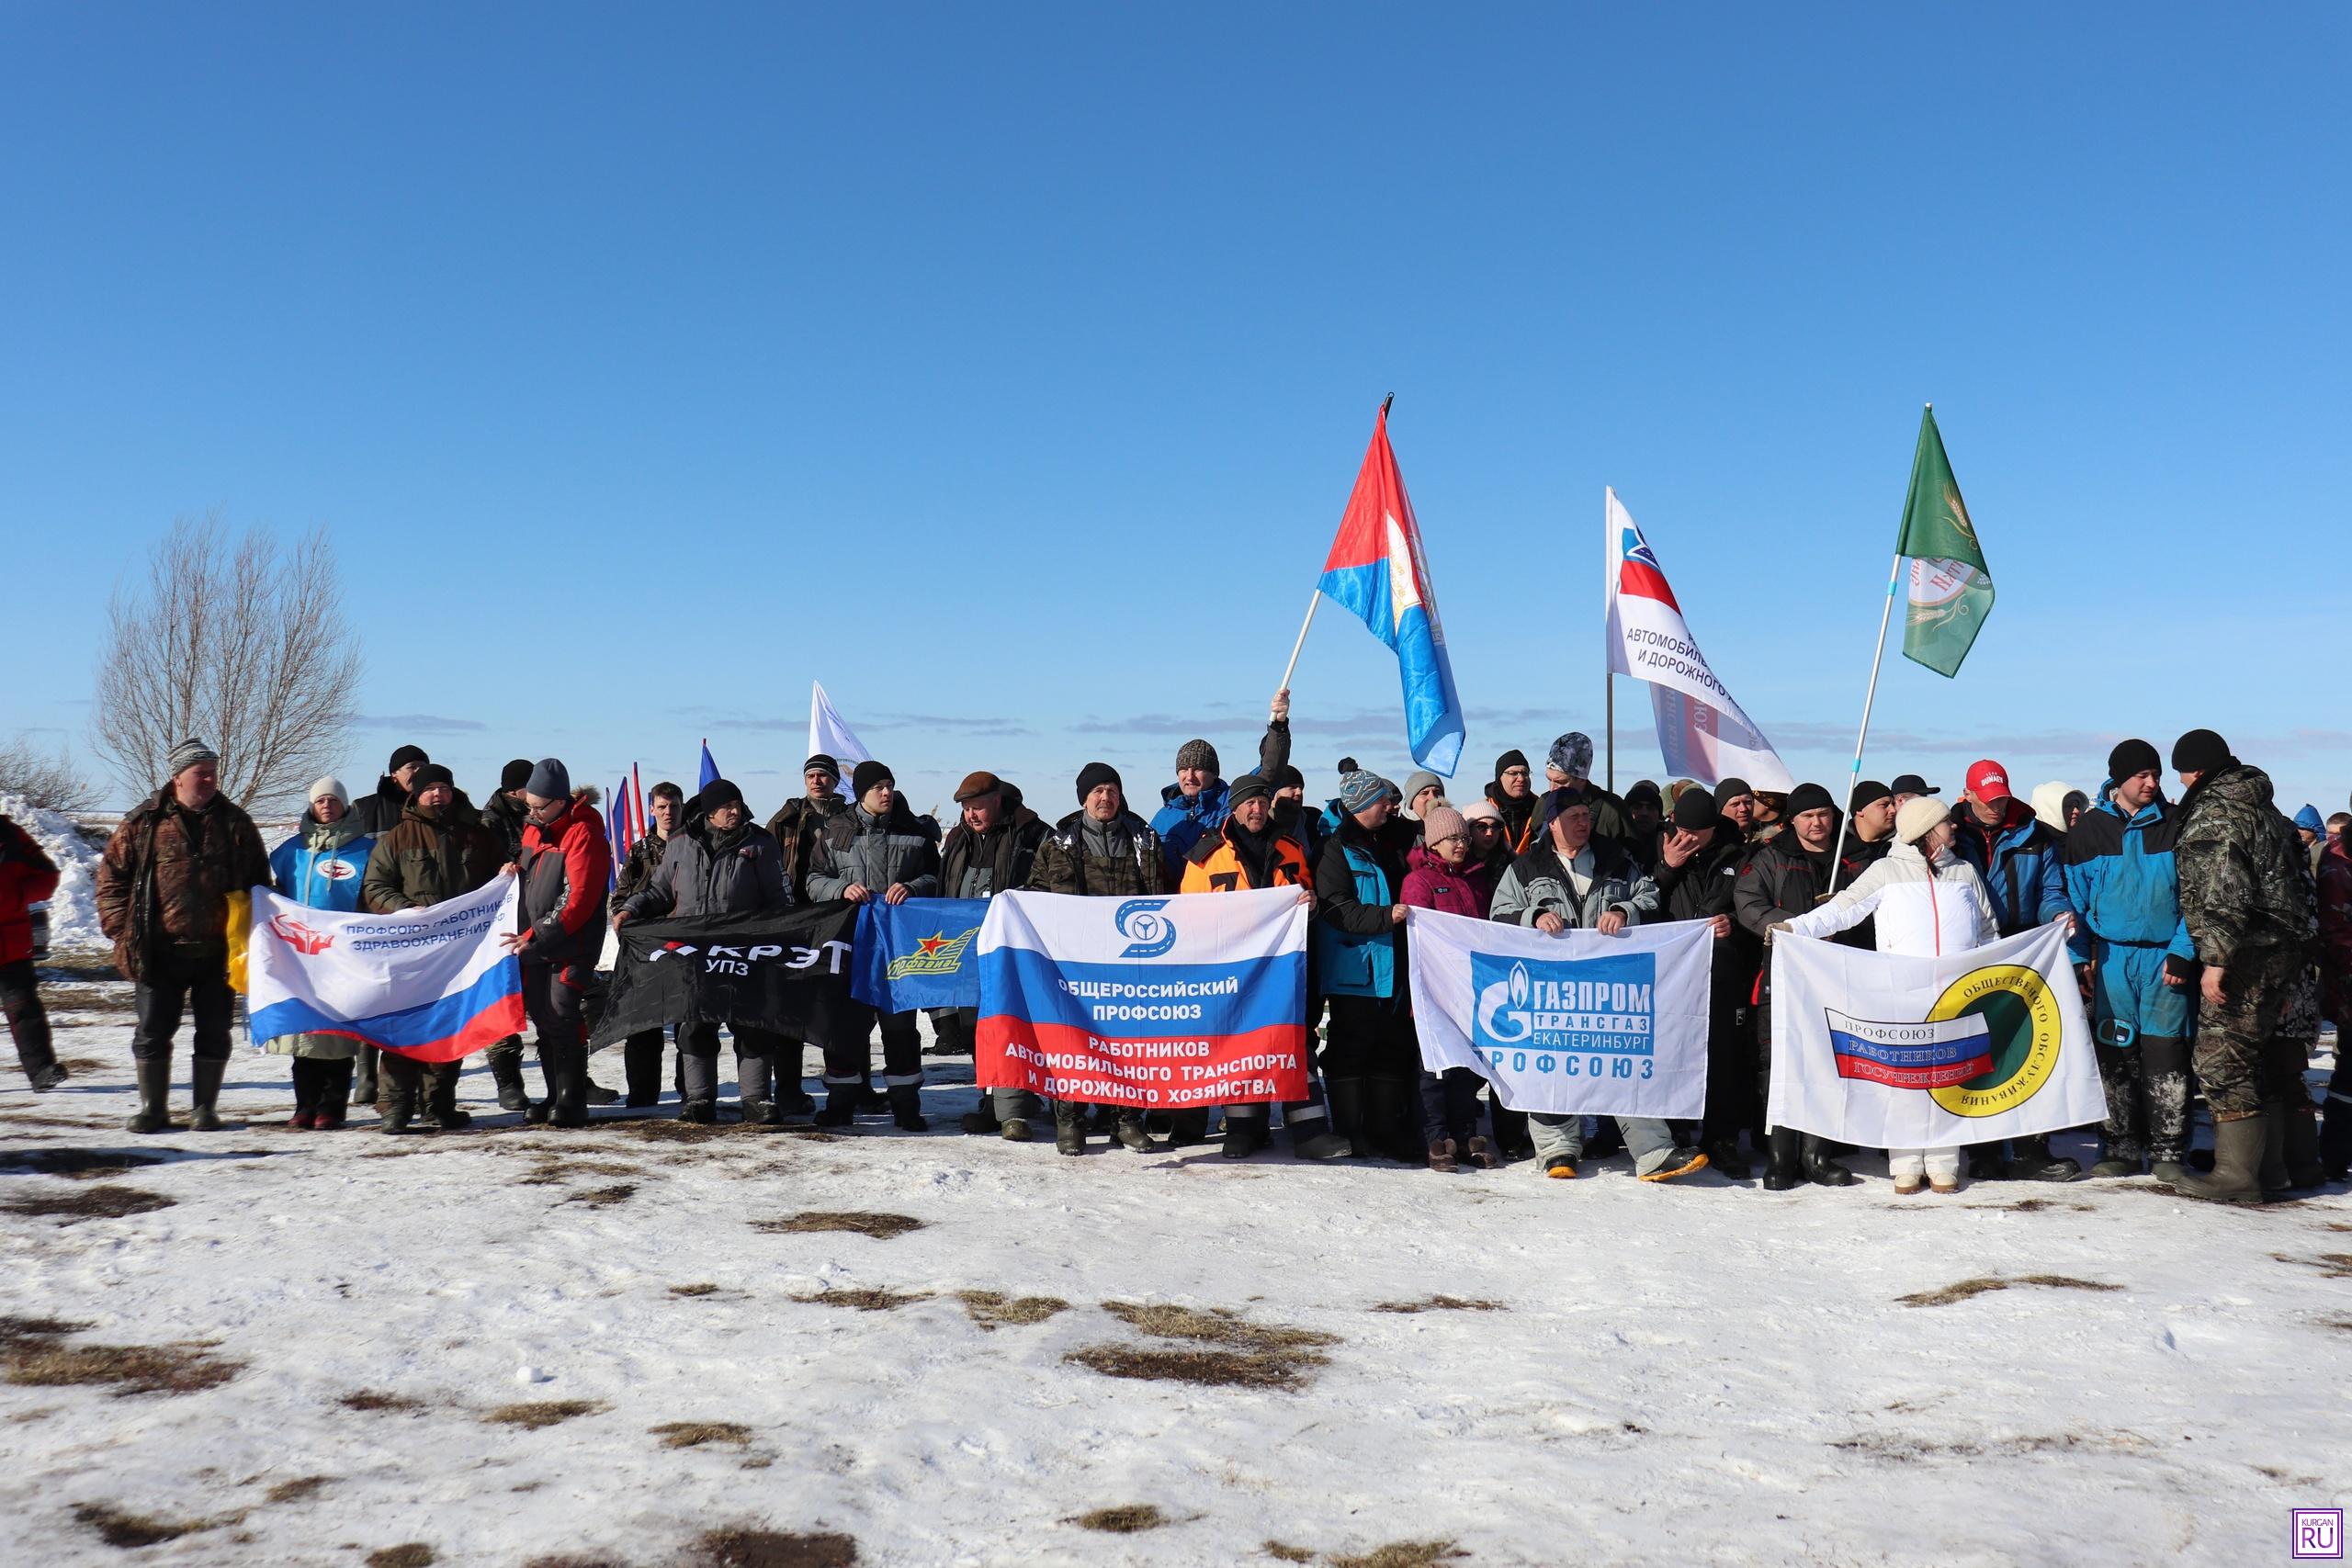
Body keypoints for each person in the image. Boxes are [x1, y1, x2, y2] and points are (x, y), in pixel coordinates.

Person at [1776, 796, 1999, 1195]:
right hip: (1902, 994)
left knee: (1952, 1076)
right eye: (1947, 823)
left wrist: (1987, 975)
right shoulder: (1886, 871)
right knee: (1906, 1080)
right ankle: (1907, 1163)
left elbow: (1987, 930)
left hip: (1956, 995)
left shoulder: (1965, 872)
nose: (1954, 828)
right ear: (1927, 832)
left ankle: (1945, 1161)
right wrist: (1795, 928)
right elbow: (1843, 909)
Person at [1488, 793, 1701, 1183]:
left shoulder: (1616, 858)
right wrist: (1533, 915)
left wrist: (1624, 910)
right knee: (1551, 1064)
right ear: (1552, 822)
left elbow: (1649, 895)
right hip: (1550, 990)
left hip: (1609, 986)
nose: (1584, 822)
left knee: (1624, 1060)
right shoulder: (1525, 866)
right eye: (1574, 816)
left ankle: (1653, 1151)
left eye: (1587, 815)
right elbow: (1498, 913)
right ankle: (1557, 1149)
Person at [2166, 728, 2322, 1203]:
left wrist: (2214, 961)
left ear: (2193, 772)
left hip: (2246, 953)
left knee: (2222, 1060)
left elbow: (2222, 890)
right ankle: (2272, 1169)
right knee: (2261, 1056)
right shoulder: (2264, 807)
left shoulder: (2218, 812)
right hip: (2282, 950)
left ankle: (2236, 1174)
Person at [96, 739, 272, 1134]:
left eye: (213, 772)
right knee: (153, 1031)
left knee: (214, 1031)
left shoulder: (236, 823)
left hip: (218, 952)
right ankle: (151, 1109)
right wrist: (121, 931)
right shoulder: (144, 822)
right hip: (157, 950)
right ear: (177, 777)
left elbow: (260, 883)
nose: (210, 779)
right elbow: (110, 881)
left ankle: (204, 1109)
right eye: (201, 773)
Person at [1175, 773, 1345, 1160]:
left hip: (1285, 970)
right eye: (1249, 803)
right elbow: (1189, 916)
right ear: (1234, 807)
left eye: (1262, 802)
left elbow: (1306, 895)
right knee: (1241, 1044)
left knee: (1295, 1043)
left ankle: (1309, 1129)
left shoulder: (1290, 848)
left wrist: (1311, 905)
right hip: (1231, 970)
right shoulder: (1206, 855)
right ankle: (1243, 1128)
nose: (1257, 809)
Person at [616, 778, 793, 1123]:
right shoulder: (681, 843)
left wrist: (783, 935)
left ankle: (756, 1099)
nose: (735, 811)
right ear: (710, 812)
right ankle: (699, 1099)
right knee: (696, 1026)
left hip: (745, 951)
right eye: (728, 806)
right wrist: (632, 909)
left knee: (752, 1025)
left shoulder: (759, 842)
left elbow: (779, 897)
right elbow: (659, 891)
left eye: (738, 805)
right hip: (694, 953)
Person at [2061, 742, 2196, 1183]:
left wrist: (2183, 949)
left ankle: (2168, 1149)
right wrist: (2081, 957)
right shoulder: (2089, 831)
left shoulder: (2178, 824)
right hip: (2112, 958)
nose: (2152, 783)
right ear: (2119, 778)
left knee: (2166, 1050)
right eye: (2141, 775)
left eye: (2155, 774)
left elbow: (2196, 900)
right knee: (2115, 1051)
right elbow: (2073, 903)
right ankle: (2118, 1146)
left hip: (2164, 958)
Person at [1948, 758, 2080, 1181]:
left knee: (2030, 1049)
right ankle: (1983, 1150)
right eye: (1987, 801)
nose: (1996, 807)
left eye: (2002, 799)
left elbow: (2052, 890)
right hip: (1969, 954)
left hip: (2024, 952)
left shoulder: (2034, 833)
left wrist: (2059, 914)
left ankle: (2032, 1149)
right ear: (1967, 795)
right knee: (1978, 1054)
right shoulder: (1949, 834)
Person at [1029, 761, 1168, 1155]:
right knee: (1072, 1039)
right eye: (1097, 792)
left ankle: (1125, 1120)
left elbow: (1166, 896)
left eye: (1111, 790)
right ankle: (1070, 1119)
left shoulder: (1145, 840)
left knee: (1130, 1041)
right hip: (1075, 964)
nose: (1105, 798)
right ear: (1084, 799)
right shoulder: (1058, 844)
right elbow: (1036, 895)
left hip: (1132, 961)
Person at [1733, 782, 1864, 1189]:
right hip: (1783, 973)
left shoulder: (1853, 858)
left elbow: (1874, 907)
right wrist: (1798, 926)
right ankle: (1780, 1157)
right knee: (1779, 1065)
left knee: (1828, 1061)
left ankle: (1817, 1156)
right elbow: (1748, 903)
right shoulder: (1772, 858)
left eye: (1824, 814)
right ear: (1794, 821)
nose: (1817, 823)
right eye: (1808, 816)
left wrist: (1842, 916)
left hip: (1838, 976)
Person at [361, 764, 504, 1133]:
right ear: (416, 794)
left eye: (443, 788)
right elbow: (375, 886)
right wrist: (404, 909)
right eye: (430, 789)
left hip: (459, 951)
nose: (437, 795)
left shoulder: (477, 836)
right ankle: (396, 1105)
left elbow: (494, 885)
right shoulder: (397, 838)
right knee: (404, 1024)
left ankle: (438, 1104)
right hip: (411, 951)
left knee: (447, 1025)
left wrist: (507, 878)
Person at [805, 761, 940, 1131]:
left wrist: (913, 888)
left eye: (890, 786)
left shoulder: (914, 831)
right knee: (846, 1030)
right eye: (879, 787)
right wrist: (840, 889)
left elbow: (935, 877)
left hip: (899, 951)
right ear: (861, 793)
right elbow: (813, 880)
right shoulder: (835, 831)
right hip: (852, 948)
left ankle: (907, 1105)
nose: (887, 793)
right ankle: (841, 1104)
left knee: (900, 1032)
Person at [1314, 770, 1425, 1163]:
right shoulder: (1336, 848)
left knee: (1393, 1048)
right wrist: (1385, 917)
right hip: (1355, 971)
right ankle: (1349, 1130)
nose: (1391, 805)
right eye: (1383, 800)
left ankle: (1385, 1131)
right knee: (1350, 1049)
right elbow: (1335, 908)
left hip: (1397, 966)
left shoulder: (1396, 838)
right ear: (1361, 806)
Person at [1649, 786, 1759, 1177]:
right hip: (1672, 974)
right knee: (1673, 1051)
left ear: (1715, 827)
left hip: (1724, 970)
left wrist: (1736, 926)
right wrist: (1668, 866)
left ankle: (1722, 1138)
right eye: (1684, 830)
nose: (1689, 839)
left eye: (1699, 832)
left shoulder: (1741, 854)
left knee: (1724, 1056)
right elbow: (1640, 905)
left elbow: (1754, 909)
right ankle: (1676, 1132)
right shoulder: (1658, 844)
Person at [498, 759, 609, 1128]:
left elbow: (577, 898)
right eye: (529, 805)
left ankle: (572, 1098)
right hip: (537, 942)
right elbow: (533, 879)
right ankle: (553, 1093)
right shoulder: (534, 829)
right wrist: (512, 870)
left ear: (561, 801)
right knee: (543, 1017)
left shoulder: (584, 833)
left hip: (570, 943)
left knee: (562, 1011)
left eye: (538, 806)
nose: (531, 812)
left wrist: (536, 934)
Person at [940, 772, 1050, 1139]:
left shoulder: (1033, 834)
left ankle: (1013, 1111)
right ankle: (991, 1101)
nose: (971, 815)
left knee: (1009, 1026)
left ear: (997, 802)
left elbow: (1048, 885)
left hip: (1013, 950)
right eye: (966, 808)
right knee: (977, 1031)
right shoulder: (957, 840)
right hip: (967, 950)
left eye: (978, 807)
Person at [263, 776, 376, 1128]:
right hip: (300, 955)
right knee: (304, 1034)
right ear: (312, 806)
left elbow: (373, 895)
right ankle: (304, 1105)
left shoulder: (366, 851)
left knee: (336, 1034)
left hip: (343, 956)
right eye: (320, 800)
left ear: (345, 805)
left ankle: (331, 1107)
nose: (326, 805)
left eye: (333, 800)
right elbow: (272, 892)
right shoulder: (290, 852)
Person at [1400, 802, 1498, 1170]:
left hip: (1470, 988)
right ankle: (1436, 1138)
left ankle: (1465, 1132)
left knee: (1466, 1066)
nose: (1460, 844)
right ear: (1434, 842)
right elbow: (1419, 938)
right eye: (1451, 838)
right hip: (1434, 989)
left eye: (1462, 837)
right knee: (1433, 1069)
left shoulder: (1475, 877)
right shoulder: (1418, 881)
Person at [765, 754, 856, 1106]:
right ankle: (788, 1088)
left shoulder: (849, 819)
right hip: (794, 923)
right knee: (789, 1010)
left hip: (837, 920)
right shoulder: (786, 819)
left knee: (841, 1008)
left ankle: (852, 1086)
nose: (817, 781)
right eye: (811, 775)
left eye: (824, 775)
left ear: (835, 781)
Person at [1149, 689, 1293, 881]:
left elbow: (1270, 771)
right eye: (1183, 770)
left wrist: (1279, 725)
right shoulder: (1162, 818)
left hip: (1222, 899)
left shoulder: (1232, 802)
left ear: (1213, 773)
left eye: (1198, 769)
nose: (1189, 776)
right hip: (1177, 905)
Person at [607, 781, 688, 1110]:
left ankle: (691, 1089)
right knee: (642, 1025)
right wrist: (627, 919)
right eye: (662, 807)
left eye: (674, 807)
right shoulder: (640, 852)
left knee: (689, 1024)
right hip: (648, 952)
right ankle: (642, 1092)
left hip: (687, 948)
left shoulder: (694, 848)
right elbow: (621, 899)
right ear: (652, 810)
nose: (669, 813)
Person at [474, 758, 537, 1109]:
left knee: (552, 1005)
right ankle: (508, 1082)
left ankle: (573, 1078)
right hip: (502, 924)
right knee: (502, 1000)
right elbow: (482, 872)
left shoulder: (539, 816)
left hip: (536, 919)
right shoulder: (490, 822)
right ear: (516, 788)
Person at [0, 807, 64, 1091]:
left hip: (9, 945)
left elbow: (47, 875)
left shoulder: (10, 835)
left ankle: (42, 1071)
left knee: (25, 1010)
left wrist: (14, 896)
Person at [2318, 810, 2352, 1180]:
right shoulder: (2339, 857)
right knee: (2349, 1076)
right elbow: (2335, 929)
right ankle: (2335, 1152)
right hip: (2348, 984)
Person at [1541, 732, 1630, 840]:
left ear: (1581, 779)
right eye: (1549, 780)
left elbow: (1633, 852)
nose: (1552, 788)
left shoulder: (1612, 809)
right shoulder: (1542, 803)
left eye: (1561, 782)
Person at [350, 744, 431, 835]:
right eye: (412, 767)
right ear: (394, 775)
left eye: (423, 767)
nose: (419, 772)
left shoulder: (437, 807)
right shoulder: (363, 809)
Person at [1484, 750, 1543, 858]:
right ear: (1499, 777)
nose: (1521, 779)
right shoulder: (1484, 812)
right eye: (1513, 773)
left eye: (1525, 773)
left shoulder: (1542, 810)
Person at [1621, 781, 1665, 873]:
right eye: (1637, 807)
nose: (1644, 813)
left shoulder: (1669, 845)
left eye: (1650, 808)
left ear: (1659, 815)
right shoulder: (1615, 845)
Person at [2295, 804, 2327, 877]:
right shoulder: (2294, 850)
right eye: (2297, 828)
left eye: (2303, 828)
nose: (2299, 831)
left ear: (2314, 829)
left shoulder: (2325, 849)